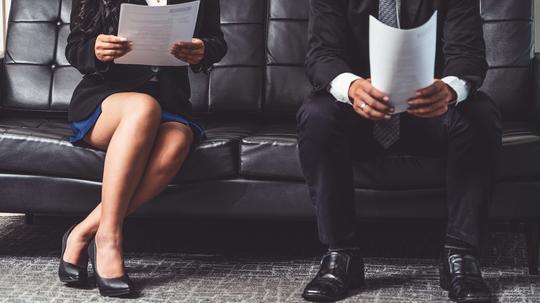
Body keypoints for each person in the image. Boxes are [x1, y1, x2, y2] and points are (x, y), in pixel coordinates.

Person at [297, 0, 501, 302]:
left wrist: (449, 89)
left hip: (429, 114)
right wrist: (352, 88)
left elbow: (468, 55)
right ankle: (341, 253)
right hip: (361, 115)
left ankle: (461, 255)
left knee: (481, 113)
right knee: (316, 114)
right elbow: (322, 54)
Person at [58, 0, 226, 297]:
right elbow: (76, 46)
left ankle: (82, 231)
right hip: (105, 99)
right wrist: (95, 50)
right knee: (143, 108)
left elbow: (216, 42)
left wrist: (203, 50)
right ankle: (109, 238)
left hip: (171, 102)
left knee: (178, 140)